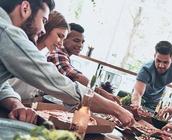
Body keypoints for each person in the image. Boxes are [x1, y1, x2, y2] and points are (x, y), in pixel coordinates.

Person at [0, 0, 134, 126]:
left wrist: (15, 104)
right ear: (25, 8)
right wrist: (117, 109)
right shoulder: (7, 33)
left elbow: (2, 85)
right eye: (43, 20)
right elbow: (58, 83)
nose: (43, 29)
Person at [47, 23, 120, 104]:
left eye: (82, 42)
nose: (80, 45)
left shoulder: (63, 55)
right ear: (64, 39)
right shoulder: (57, 54)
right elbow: (76, 76)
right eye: (76, 41)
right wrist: (104, 94)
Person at [9, 10, 69, 100]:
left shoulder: (40, 55)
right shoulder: (25, 50)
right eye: (60, 36)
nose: (61, 44)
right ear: (47, 28)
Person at [131, 41, 172, 121]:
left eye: (165, 62)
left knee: (150, 123)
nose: (161, 65)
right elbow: (137, 93)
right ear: (154, 56)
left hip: (156, 99)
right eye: (158, 61)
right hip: (139, 99)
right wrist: (136, 106)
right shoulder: (146, 69)